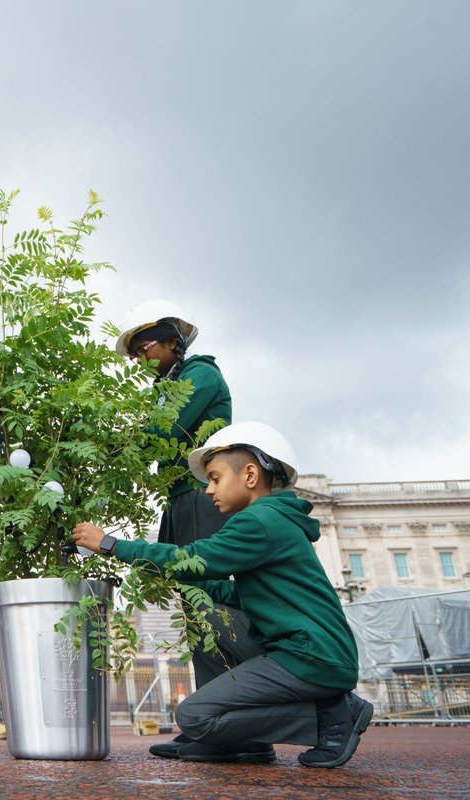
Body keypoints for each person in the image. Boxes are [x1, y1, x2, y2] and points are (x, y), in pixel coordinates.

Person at [73, 422, 372, 768]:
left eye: (215, 478)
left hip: (309, 656)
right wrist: (187, 586)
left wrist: (111, 544)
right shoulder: (271, 520)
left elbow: (194, 559)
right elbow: (240, 593)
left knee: (194, 716)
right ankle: (244, 744)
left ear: (249, 475)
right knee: (208, 614)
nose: (208, 490)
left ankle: (331, 715)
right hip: (302, 648)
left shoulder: (258, 522)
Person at [116, 300, 257, 758]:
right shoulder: (170, 382)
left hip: (205, 494)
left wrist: (111, 441)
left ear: (173, 342)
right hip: (183, 496)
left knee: (210, 604)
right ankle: (213, 725)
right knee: (196, 608)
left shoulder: (200, 374)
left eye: (145, 347)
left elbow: (163, 431)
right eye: (134, 352)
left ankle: (240, 732)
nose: (139, 358)